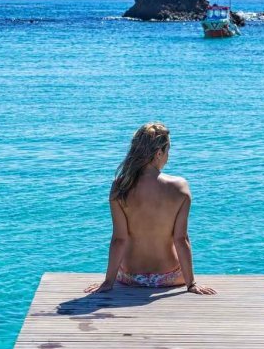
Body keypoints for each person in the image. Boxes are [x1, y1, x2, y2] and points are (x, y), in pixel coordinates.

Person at [86, 123, 216, 295]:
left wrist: (109, 281)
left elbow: (119, 239)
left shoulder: (120, 187)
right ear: (159, 153)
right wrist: (191, 283)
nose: (168, 156)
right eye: (168, 151)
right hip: (168, 277)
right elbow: (181, 239)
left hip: (130, 277)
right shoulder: (180, 188)